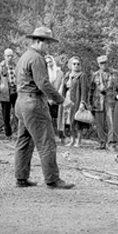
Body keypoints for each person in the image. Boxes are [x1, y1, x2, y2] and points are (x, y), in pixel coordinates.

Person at [13, 27, 74, 189]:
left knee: (24, 140)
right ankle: (53, 179)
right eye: (48, 43)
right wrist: (62, 100)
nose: (49, 47)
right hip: (34, 103)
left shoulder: (24, 57)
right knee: (46, 142)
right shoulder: (37, 58)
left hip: (21, 102)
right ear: (39, 42)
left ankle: (21, 178)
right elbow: (43, 83)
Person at [60, 56, 92, 148]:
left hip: (77, 99)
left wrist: (83, 102)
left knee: (77, 121)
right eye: (74, 64)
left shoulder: (82, 75)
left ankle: (78, 141)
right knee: (69, 121)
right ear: (70, 65)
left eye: (78, 64)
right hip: (68, 99)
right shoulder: (67, 75)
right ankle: (72, 140)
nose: (76, 65)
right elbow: (64, 88)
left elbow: (84, 90)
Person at [0, 48, 18, 138]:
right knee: (6, 114)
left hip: (16, 92)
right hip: (5, 93)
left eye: (11, 55)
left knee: (18, 113)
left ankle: (20, 133)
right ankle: (8, 134)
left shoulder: (17, 66)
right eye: (8, 56)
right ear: (4, 56)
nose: (10, 57)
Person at [90, 55, 114, 150]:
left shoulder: (113, 73)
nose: (103, 65)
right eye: (101, 63)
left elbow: (116, 88)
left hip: (110, 101)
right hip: (98, 101)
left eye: (105, 63)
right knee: (99, 123)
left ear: (108, 63)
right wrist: (89, 103)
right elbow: (91, 90)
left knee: (111, 123)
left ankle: (111, 143)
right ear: (98, 64)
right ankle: (102, 142)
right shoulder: (95, 75)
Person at [45, 54, 63, 138]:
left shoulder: (59, 72)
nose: (49, 63)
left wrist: (56, 97)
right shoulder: (44, 73)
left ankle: (61, 136)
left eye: (50, 61)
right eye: (47, 62)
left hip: (58, 97)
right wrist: (49, 98)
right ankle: (49, 135)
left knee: (59, 118)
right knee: (48, 118)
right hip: (47, 99)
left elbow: (60, 85)